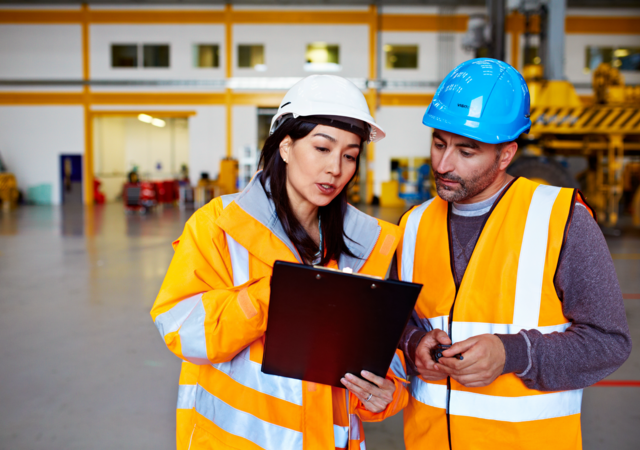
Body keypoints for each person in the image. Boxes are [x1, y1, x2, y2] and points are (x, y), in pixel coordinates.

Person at [150, 75, 409, 450]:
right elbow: (182, 330)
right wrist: (273, 295)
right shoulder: (219, 226)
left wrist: (384, 394)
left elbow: (389, 360)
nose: (336, 168)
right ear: (285, 146)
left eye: (350, 155)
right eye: (322, 148)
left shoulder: (371, 246)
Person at [396, 59, 631, 449]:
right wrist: (411, 343)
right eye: (439, 143)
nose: (443, 164)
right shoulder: (412, 225)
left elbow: (608, 343)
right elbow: (391, 321)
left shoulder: (561, 219)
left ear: (506, 155)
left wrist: (512, 354)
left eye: (466, 151)